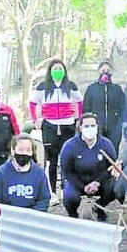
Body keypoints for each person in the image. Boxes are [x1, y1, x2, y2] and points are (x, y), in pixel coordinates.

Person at [30, 59, 83, 194]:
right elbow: (32, 103)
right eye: (55, 69)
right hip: (50, 126)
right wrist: (36, 119)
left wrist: (78, 118)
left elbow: (80, 101)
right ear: (50, 71)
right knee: (52, 160)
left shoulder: (71, 86)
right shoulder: (43, 87)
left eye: (60, 69)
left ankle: (67, 187)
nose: (58, 72)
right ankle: (52, 190)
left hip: (68, 125)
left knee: (67, 157)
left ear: (64, 71)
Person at [60, 113, 118, 221]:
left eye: (93, 126)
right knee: (69, 196)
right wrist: (83, 187)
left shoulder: (106, 144)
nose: (90, 129)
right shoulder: (69, 146)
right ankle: (73, 216)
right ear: (80, 128)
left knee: (118, 188)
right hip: (77, 182)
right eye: (86, 126)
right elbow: (66, 172)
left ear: (97, 127)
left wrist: (97, 182)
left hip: (99, 182)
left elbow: (112, 168)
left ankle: (99, 207)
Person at [0, 134, 51, 212]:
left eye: (28, 150)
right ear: (13, 150)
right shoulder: (0, 173)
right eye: (21, 149)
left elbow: (44, 199)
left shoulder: (39, 173)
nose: (24, 153)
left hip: (32, 218)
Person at [83, 61, 127, 152]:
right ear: (98, 71)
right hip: (96, 127)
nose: (105, 72)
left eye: (108, 70)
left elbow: (123, 107)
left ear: (112, 72)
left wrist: (125, 122)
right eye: (103, 70)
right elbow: (86, 108)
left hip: (114, 127)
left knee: (112, 151)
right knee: (96, 151)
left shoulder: (117, 89)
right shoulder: (91, 89)